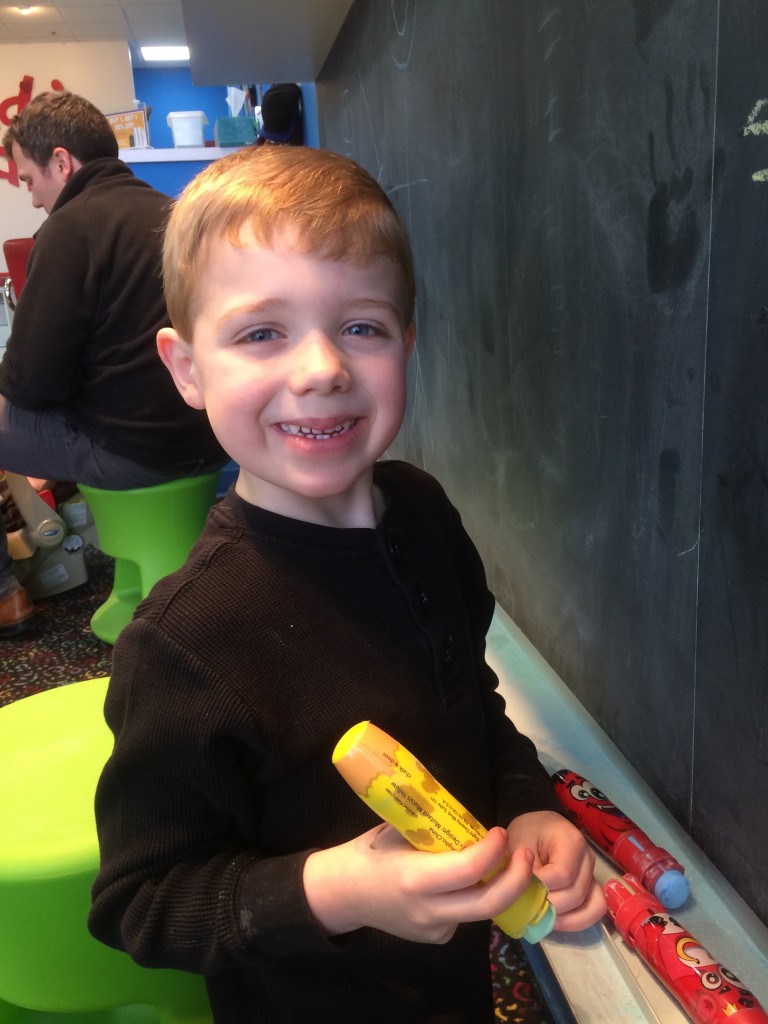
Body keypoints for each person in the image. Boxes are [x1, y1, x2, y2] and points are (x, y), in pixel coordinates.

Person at [88, 145, 606, 1023]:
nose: (323, 367)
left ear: (407, 343)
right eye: (262, 332)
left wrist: (524, 803)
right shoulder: (185, 643)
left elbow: (467, 696)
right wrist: (337, 890)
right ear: (185, 368)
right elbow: (142, 904)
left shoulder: (424, 512)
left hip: (452, 985)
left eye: (361, 327)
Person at [0, 90, 225, 637]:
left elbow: (33, 383)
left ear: (61, 161)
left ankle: (6, 595)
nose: (31, 199)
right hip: (207, 443)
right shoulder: (172, 216)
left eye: (29, 181)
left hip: (136, 453)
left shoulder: (69, 227)